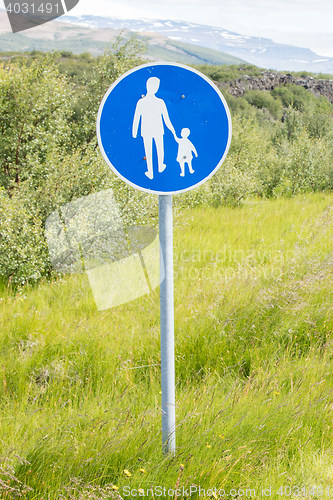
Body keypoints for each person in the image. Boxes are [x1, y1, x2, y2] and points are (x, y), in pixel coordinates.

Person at [132, 77, 176, 180]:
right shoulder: (159, 102)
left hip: (146, 131)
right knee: (160, 149)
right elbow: (166, 119)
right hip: (158, 130)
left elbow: (136, 119)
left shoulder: (141, 102)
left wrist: (134, 132)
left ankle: (150, 172)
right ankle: (160, 166)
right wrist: (172, 129)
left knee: (149, 151)